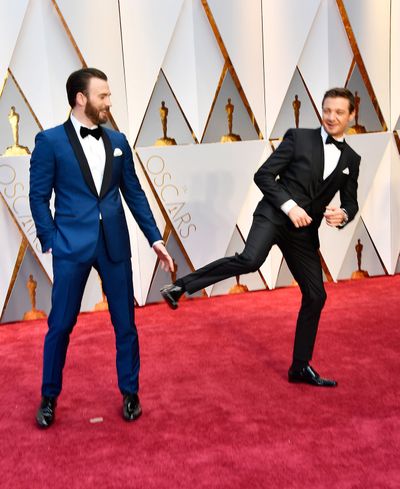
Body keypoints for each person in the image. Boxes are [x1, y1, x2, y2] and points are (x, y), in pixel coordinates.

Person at [161, 87, 360, 387]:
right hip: (274, 215)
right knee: (250, 259)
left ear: (352, 115)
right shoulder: (298, 137)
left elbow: (351, 201)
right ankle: (180, 287)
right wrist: (290, 206)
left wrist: (342, 214)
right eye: (327, 110)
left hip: (304, 231)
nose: (331, 117)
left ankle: (300, 367)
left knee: (316, 295)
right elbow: (264, 175)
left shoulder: (352, 159)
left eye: (339, 112)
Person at [29, 68, 173, 428]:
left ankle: (130, 393)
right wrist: (51, 239)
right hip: (70, 246)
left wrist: (154, 238)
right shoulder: (49, 142)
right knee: (60, 324)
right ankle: (48, 397)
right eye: (103, 96)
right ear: (81, 98)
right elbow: (37, 197)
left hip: (114, 245)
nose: (109, 102)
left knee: (125, 323)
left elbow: (134, 195)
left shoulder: (118, 140)